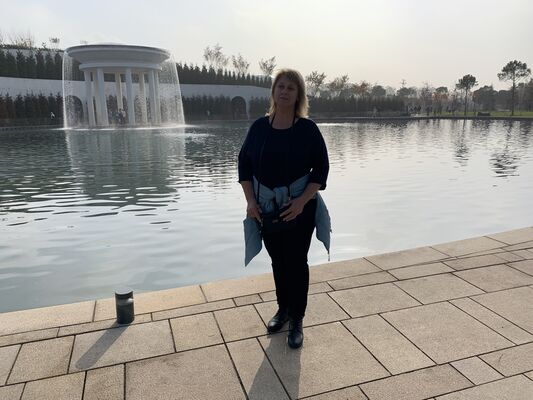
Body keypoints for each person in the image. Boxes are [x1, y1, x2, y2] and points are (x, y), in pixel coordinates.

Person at [238, 68, 331, 349]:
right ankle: (283, 310)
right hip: (266, 207)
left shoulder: (307, 129)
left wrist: (301, 202)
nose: (285, 91)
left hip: (299, 208)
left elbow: (321, 169)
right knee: (278, 261)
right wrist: (250, 201)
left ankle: (297, 319)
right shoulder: (259, 128)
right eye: (281, 86)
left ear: (298, 94)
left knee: (297, 262)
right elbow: (244, 165)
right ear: (273, 91)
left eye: (291, 87)